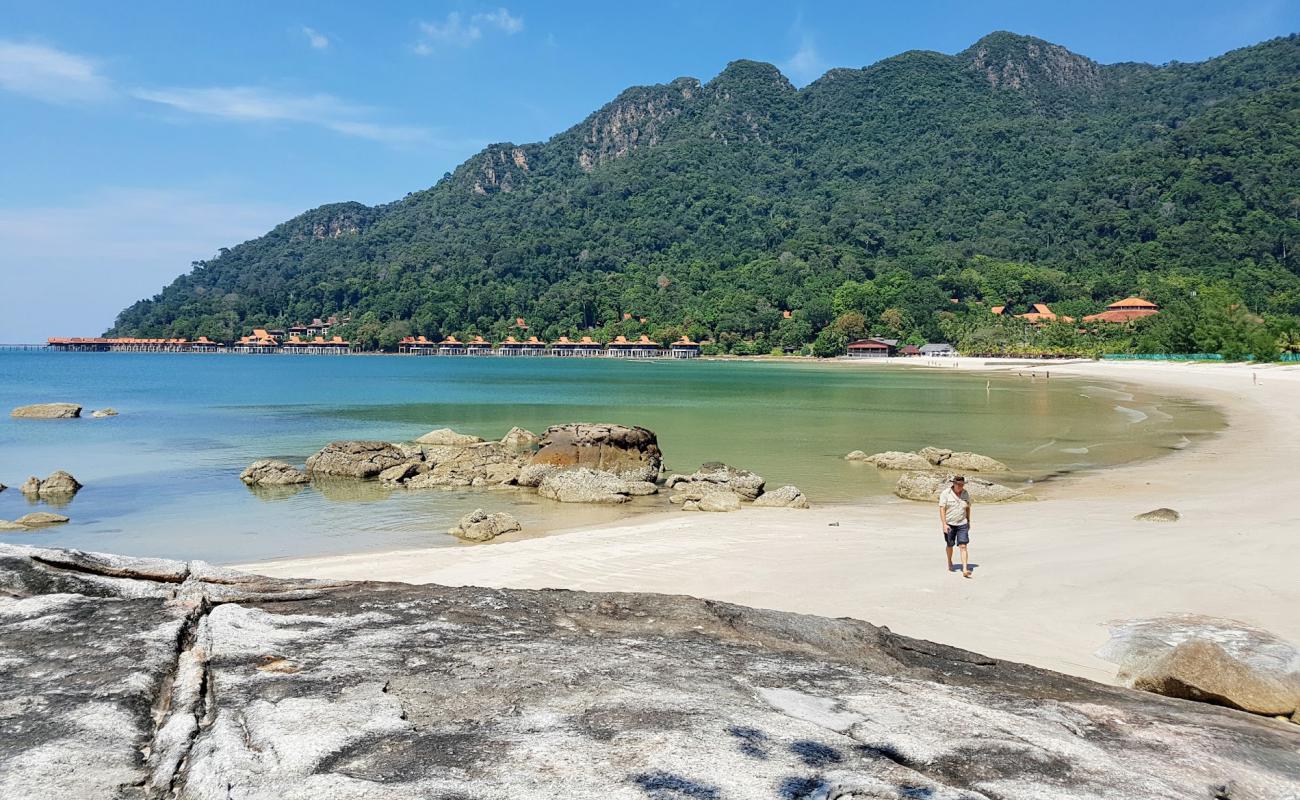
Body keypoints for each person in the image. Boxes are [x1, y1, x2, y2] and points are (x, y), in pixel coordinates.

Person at [939, 475, 972, 578]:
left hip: (962, 523)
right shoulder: (946, 493)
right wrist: (944, 524)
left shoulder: (965, 493)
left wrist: (969, 521)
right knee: (950, 544)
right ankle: (949, 561)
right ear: (953, 483)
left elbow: (968, 508)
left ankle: (965, 569)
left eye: (962, 485)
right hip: (949, 524)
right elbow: (942, 509)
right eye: (958, 484)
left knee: (963, 545)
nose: (960, 486)